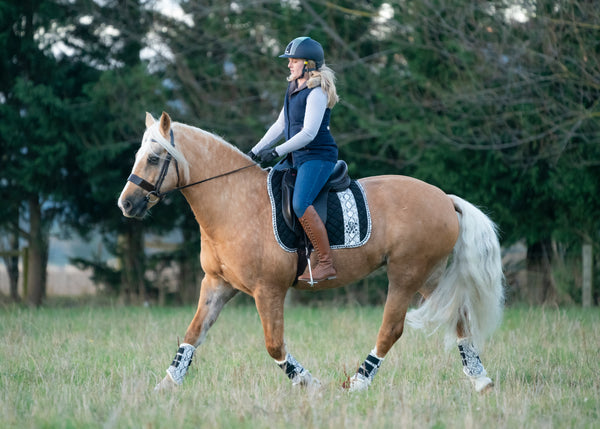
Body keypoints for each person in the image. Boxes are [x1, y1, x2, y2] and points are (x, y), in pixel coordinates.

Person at [248, 36, 339, 283]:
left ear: (309, 64)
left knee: (300, 203)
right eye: (289, 61)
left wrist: (276, 152)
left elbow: (308, 134)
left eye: (294, 60)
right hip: (296, 156)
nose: (289, 65)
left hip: (318, 157)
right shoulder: (293, 87)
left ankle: (326, 263)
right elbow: (281, 125)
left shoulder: (317, 92)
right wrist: (255, 150)